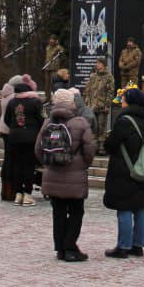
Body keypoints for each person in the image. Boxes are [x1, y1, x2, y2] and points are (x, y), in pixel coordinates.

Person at [38, 87, 96, 260]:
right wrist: (83, 164)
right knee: (76, 211)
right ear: (72, 104)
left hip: (52, 174)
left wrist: (48, 163)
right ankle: (70, 247)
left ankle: (60, 249)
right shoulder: (81, 123)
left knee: (58, 212)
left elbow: (38, 150)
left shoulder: (48, 123)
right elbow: (90, 149)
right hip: (75, 176)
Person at [103, 87, 144, 258]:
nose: (121, 101)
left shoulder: (124, 121)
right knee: (140, 207)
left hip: (123, 168)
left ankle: (123, 246)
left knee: (123, 207)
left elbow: (110, 144)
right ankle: (138, 245)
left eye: (123, 99)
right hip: (140, 167)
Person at [4, 75, 44, 205]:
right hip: (31, 138)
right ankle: (27, 193)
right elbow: (43, 119)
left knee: (17, 165)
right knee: (29, 166)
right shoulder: (35, 102)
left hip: (14, 138)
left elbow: (6, 120)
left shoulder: (12, 102)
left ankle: (18, 194)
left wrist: (15, 128)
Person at [83, 59, 115, 150]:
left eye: (99, 63)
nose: (97, 65)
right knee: (93, 126)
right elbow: (88, 90)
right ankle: (93, 145)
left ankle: (101, 145)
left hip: (102, 105)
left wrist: (107, 104)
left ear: (104, 65)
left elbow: (110, 92)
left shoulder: (109, 77)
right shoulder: (93, 76)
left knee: (101, 126)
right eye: (96, 63)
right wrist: (87, 102)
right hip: (92, 105)